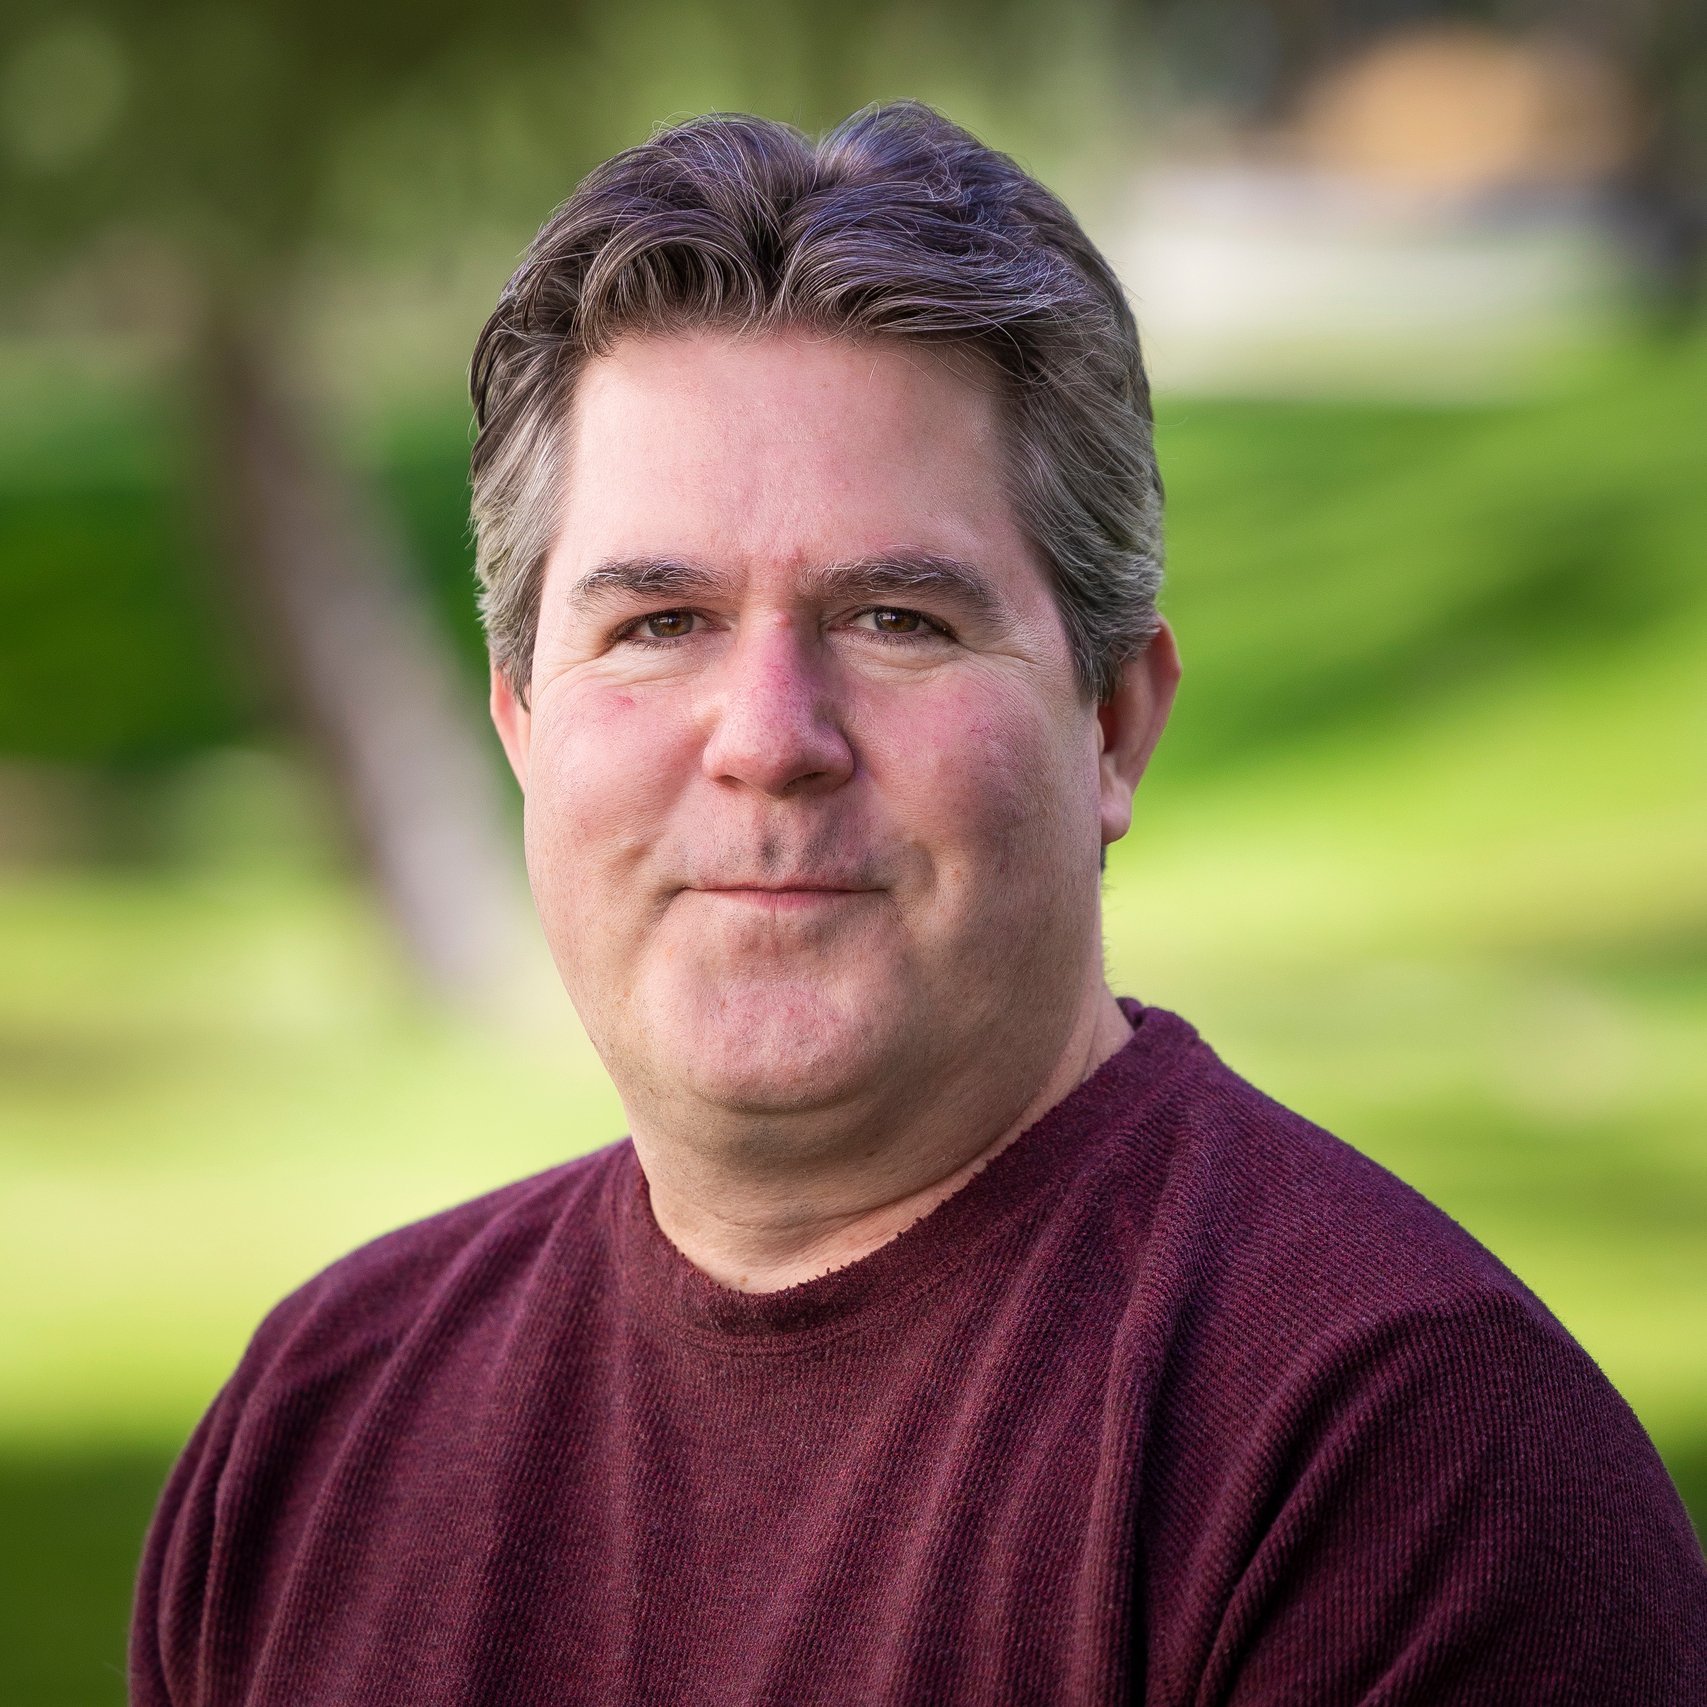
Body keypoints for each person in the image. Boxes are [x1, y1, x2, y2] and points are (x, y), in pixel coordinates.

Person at [131, 103, 1707, 1705]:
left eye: (895, 617)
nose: (768, 741)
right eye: (661, 622)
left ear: (1111, 725)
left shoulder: (1396, 1461)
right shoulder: (315, 1427)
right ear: (524, 724)